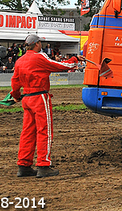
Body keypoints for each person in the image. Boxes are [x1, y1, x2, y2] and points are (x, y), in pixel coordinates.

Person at [10, 34, 83, 178]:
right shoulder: (39, 57)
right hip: (40, 97)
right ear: (36, 44)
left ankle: (24, 165)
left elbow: (15, 82)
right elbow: (60, 66)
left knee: (27, 132)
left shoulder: (20, 61)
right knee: (44, 131)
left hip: (27, 99)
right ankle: (43, 165)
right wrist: (74, 59)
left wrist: (17, 96)